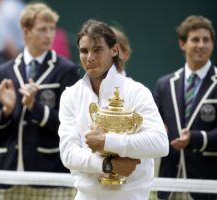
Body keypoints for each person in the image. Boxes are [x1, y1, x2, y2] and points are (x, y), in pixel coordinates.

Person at [58, 19, 169, 200]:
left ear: (115, 50)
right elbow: (68, 154)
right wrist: (108, 165)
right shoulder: (70, 95)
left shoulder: (137, 92)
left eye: (97, 49)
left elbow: (160, 144)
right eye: (84, 51)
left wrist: (107, 141)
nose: (90, 57)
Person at [0, 2, 79, 199]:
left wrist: (35, 107)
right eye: (42, 29)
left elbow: (71, 125)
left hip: (49, 176)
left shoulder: (66, 70)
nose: (49, 35)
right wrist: (6, 110)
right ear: (26, 31)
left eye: (52, 29)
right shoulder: (5, 70)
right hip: (9, 175)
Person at [154, 15, 217, 200]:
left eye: (206, 40)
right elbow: (154, 125)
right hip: (169, 183)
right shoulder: (164, 84)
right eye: (195, 39)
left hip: (207, 185)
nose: (201, 45)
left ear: (212, 44)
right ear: (183, 43)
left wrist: (195, 139)